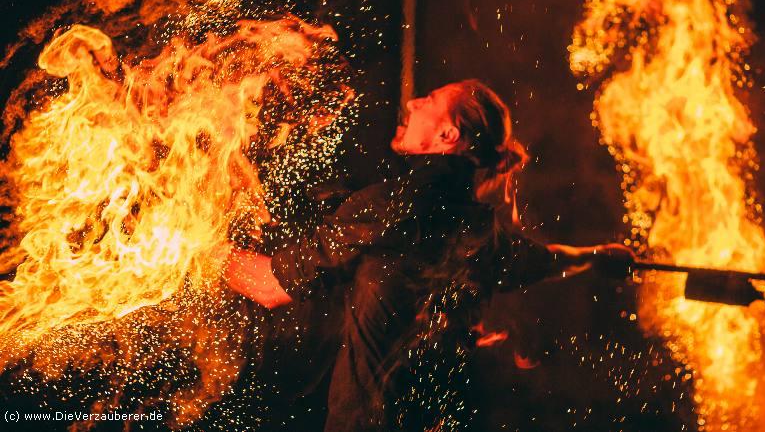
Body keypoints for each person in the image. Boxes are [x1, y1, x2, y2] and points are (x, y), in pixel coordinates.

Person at [225, 79, 633, 431]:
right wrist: (599, 256)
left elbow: (269, 285)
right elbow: (547, 260)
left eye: (431, 100)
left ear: (448, 137)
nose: (414, 103)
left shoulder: (390, 205)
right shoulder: (478, 228)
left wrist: (196, 247)